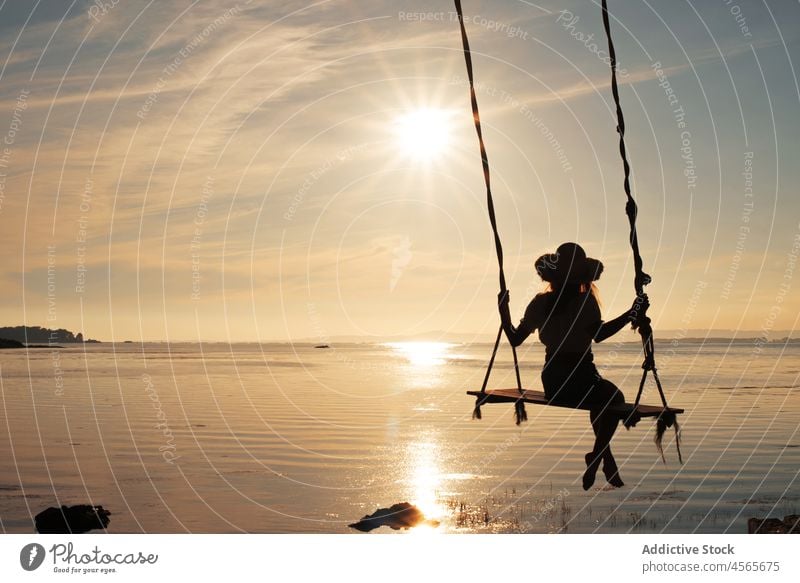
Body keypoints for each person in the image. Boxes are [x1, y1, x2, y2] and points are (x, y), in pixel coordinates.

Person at [498, 242, 648, 490]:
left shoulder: (541, 302)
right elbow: (600, 334)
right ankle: (599, 455)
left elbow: (515, 339)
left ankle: (602, 456)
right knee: (612, 398)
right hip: (581, 374)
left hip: (554, 379)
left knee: (600, 400)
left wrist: (503, 312)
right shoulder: (584, 301)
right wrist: (631, 313)